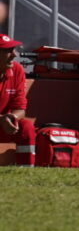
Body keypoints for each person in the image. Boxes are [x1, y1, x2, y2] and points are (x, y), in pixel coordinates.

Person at [0, 33, 36, 166]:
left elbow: (21, 109)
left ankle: (26, 170)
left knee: (26, 126)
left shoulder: (17, 70)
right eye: (8, 51)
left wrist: (11, 118)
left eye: (13, 50)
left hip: (4, 124)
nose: (14, 55)